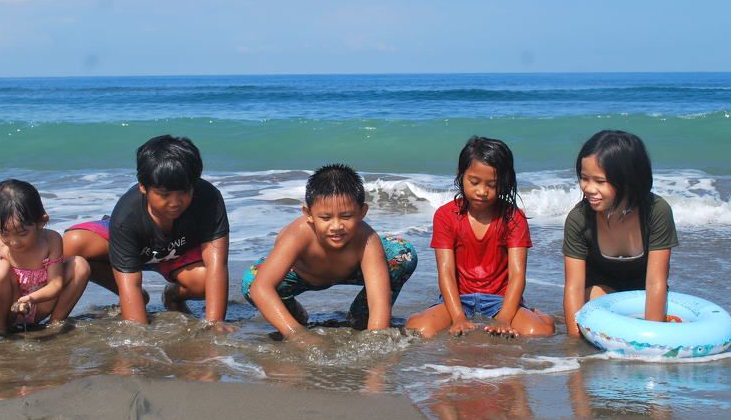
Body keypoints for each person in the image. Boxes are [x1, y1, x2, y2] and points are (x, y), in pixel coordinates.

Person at [63, 135, 230, 327]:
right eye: (164, 194)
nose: (175, 203)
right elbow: (131, 285)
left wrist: (215, 324)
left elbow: (217, 265)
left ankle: (172, 296)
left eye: (184, 191)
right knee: (71, 244)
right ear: (143, 186)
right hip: (135, 247)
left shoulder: (209, 198)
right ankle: (137, 298)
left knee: (203, 281)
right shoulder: (127, 216)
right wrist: (138, 342)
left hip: (178, 252)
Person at [242, 164, 417, 340]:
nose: (336, 226)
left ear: (362, 212)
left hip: (352, 271)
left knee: (404, 254)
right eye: (325, 218)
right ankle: (295, 317)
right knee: (251, 282)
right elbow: (261, 288)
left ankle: (360, 317)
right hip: (300, 275)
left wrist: (377, 339)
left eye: (346, 216)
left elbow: (378, 299)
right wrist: (297, 334)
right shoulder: (298, 234)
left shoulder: (367, 239)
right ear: (308, 214)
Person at [406, 136, 554, 338]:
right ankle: (426, 312)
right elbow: (446, 271)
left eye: (492, 184)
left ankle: (541, 316)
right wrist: (458, 317)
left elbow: (517, 275)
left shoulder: (513, 217)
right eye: (474, 182)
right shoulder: (445, 215)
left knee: (539, 332)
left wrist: (504, 318)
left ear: (503, 183)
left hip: (501, 298)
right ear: (461, 175)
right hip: (460, 298)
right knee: (419, 329)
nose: (482, 191)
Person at [562, 130, 678, 337]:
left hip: (644, 296)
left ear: (628, 180)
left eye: (599, 181)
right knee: (596, 296)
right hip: (598, 296)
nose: (588, 188)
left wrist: (651, 337)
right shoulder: (579, 219)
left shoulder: (656, 212)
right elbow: (574, 287)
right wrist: (574, 344)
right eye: (584, 178)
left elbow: (655, 281)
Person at [0, 179, 90, 334]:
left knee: (80, 265)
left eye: (22, 233)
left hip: (39, 305)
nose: (14, 242)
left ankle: (54, 324)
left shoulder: (51, 240)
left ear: (42, 221)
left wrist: (30, 299)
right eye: (4, 233)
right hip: (6, 311)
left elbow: (56, 284)